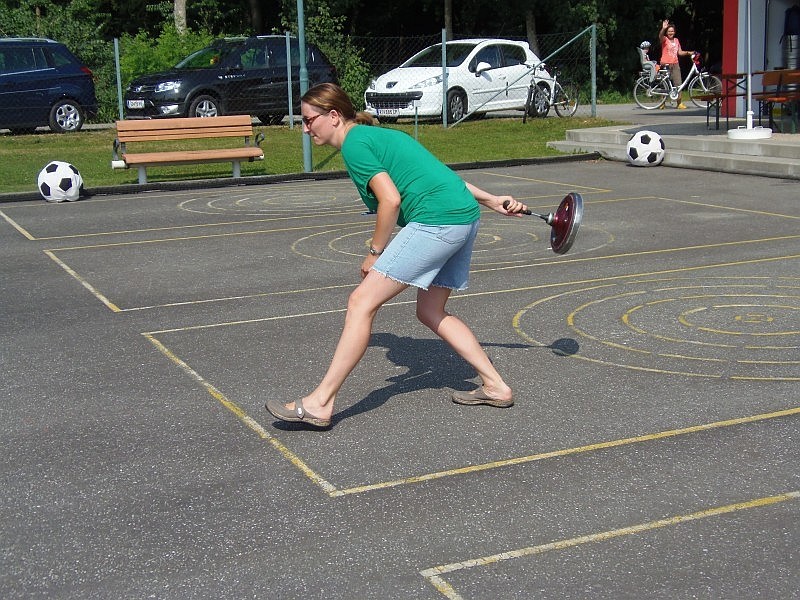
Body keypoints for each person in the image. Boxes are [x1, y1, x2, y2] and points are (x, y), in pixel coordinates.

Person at [265, 82, 529, 429]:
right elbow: (440, 177)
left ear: (333, 116)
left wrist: (375, 252)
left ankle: (319, 402)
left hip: (438, 221)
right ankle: (495, 386)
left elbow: (390, 200)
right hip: (463, 216)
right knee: (431, 310)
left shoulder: (356, 145)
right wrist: (490, 199)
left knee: (361, 303)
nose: (305, 128)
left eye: (309, 120)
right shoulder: (379, 138)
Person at [659, 19, 695, 109]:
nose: (670, 33)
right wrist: (663, 28)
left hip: (675, 64)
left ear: (674, 32)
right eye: (669, 31)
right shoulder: (665, 39)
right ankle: (662, 103)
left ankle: (679, 103)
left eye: (672, 31)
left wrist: (688, 53)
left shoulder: (676, 40)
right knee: (664, 84)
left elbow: (679, 52)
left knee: (678, 84)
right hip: (665, 64)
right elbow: (660, 36)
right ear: (667, 32)